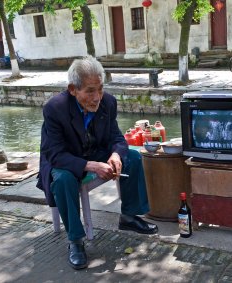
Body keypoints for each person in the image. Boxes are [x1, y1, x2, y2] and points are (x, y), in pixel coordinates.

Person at [36, 56, 158, 270]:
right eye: (90, 91)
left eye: (100, 89)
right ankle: (75, 241)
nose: (97, 97)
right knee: (64, 180)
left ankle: (129, 216)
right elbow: (54, 154)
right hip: (65, 159)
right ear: (73, 89)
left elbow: (117, 139)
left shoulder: (108, 102)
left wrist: (115, 156)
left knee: (133, 156)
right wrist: (90, 166)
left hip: (94, 151)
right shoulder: (55, 109)